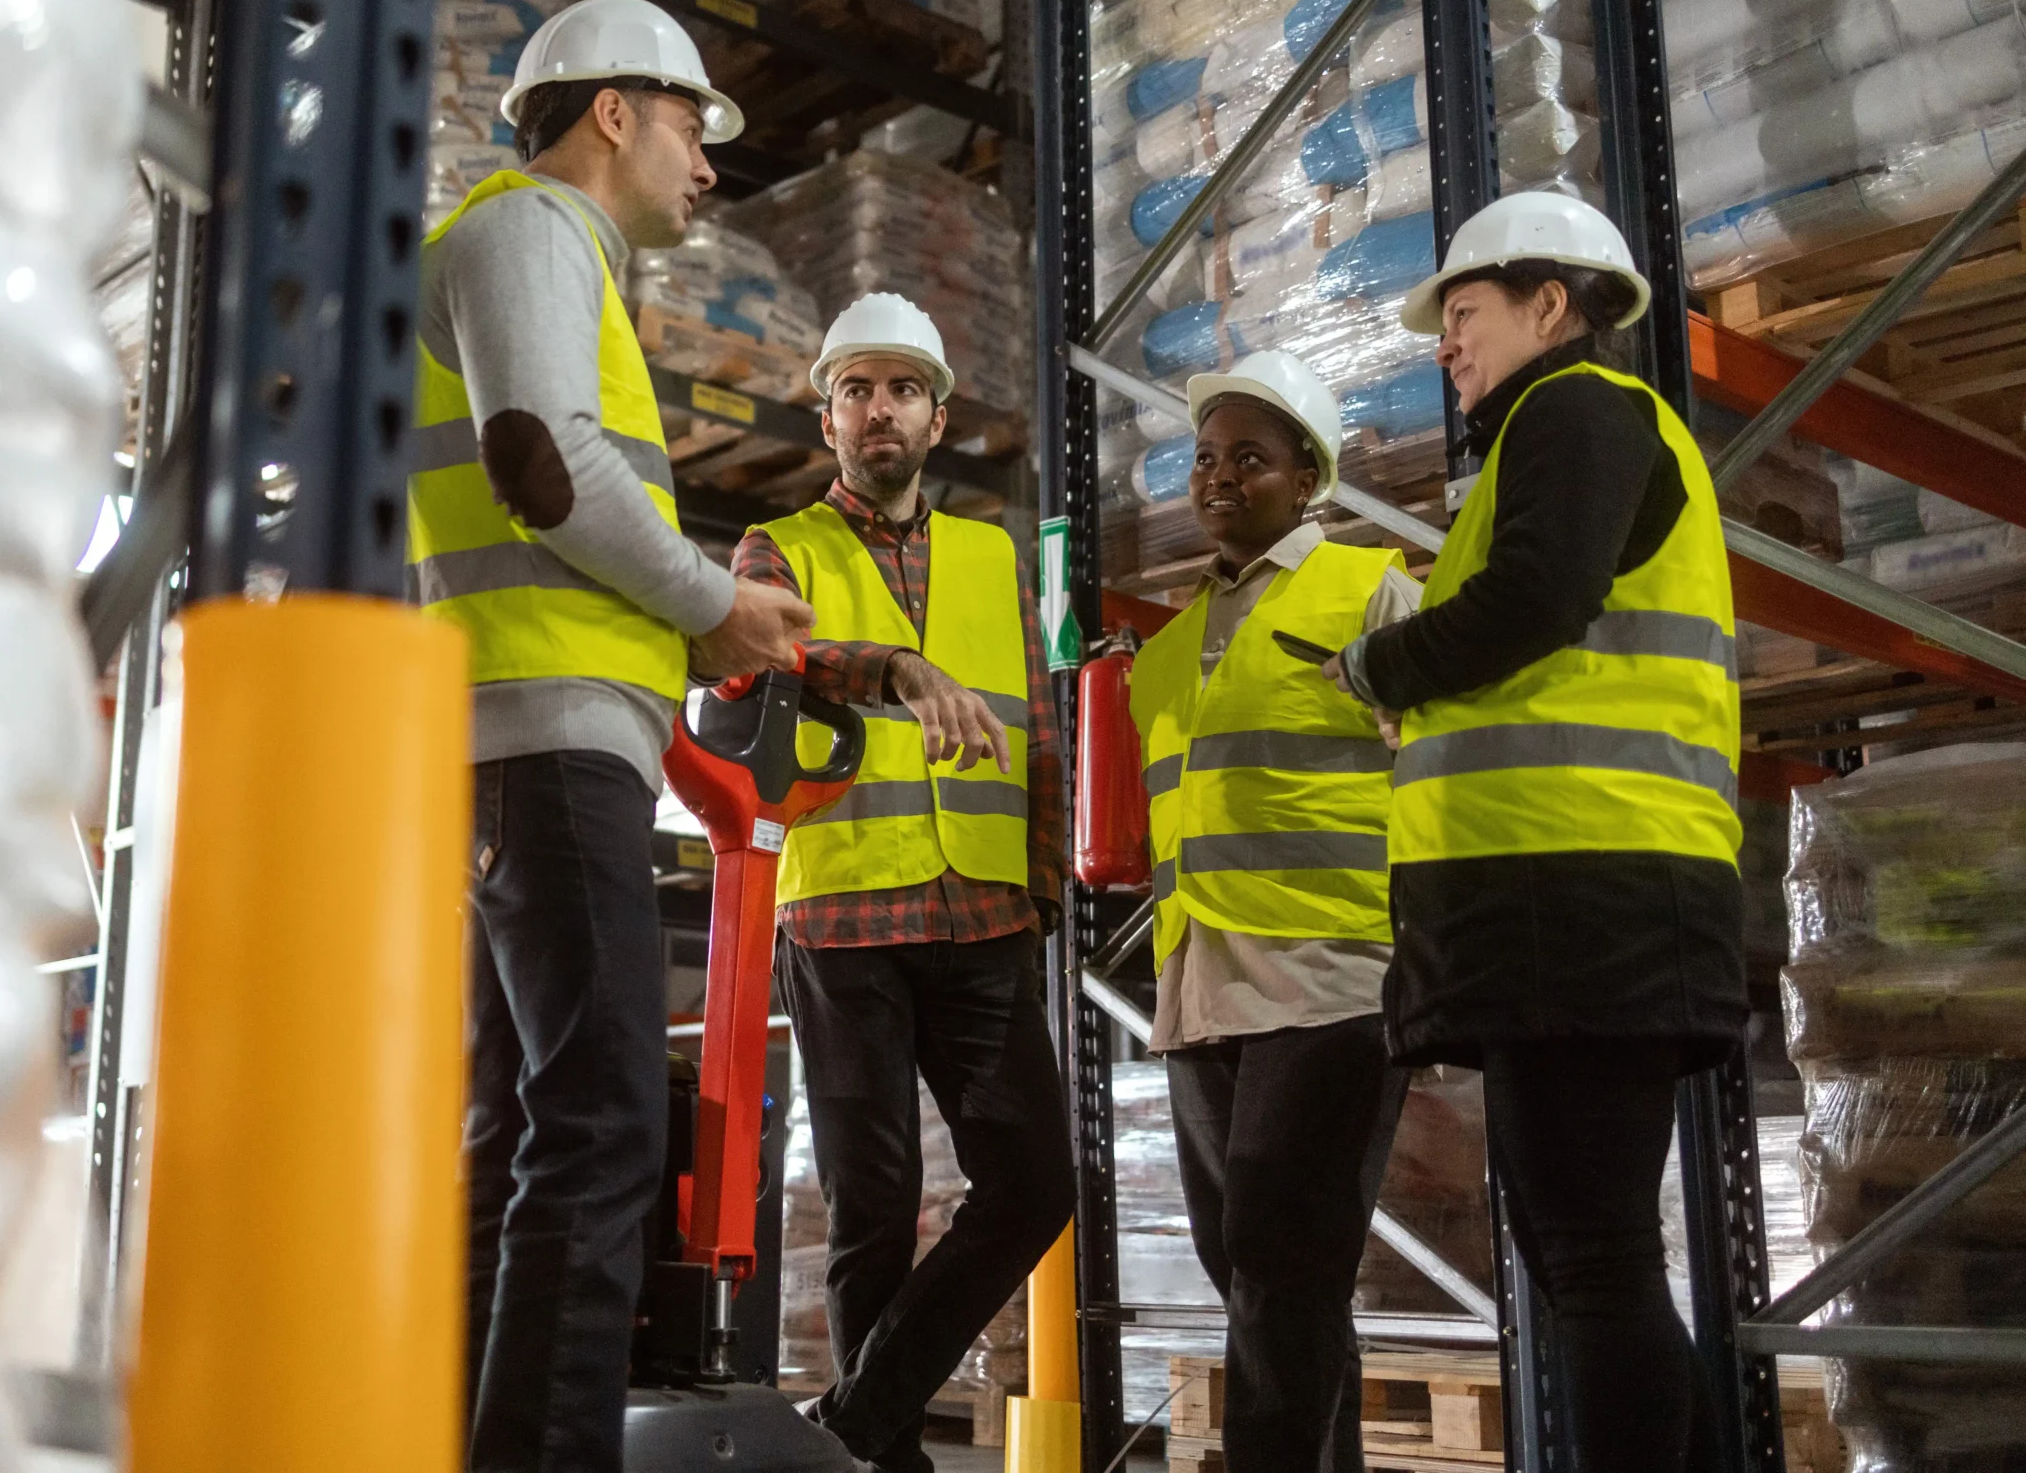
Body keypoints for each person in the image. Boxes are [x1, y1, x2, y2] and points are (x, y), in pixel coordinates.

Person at [409, 0, 815, 1473]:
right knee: (596, 1132)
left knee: (523, 1129)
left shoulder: (537, 250)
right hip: (549, 736)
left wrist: (714, 604)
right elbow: (541, 460)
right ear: (615, 110)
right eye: (697, 125)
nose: (708, 167)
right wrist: (710, 602)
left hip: (525, 742)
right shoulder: (530, 230)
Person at [1333, 190, 1747, 1473]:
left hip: (1583, 892)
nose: (1445, 346)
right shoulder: (1559, 438)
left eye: (1462, 315)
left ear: (1550, 306)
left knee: (1592, 1258)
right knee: (1591, 1258)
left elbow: (1537, 597)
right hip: (1570, 897)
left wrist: (1377, 668)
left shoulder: (1578, 409)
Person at [729, 293, 1074, 1473]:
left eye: (903, 390)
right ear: (826, 417)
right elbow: (776, 650)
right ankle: (883, 1454)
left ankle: (862, 1421)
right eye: (856, 390)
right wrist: (893, 666)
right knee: (869, 1203)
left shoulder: (991, 556)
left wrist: (1043, 887)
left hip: (982, 908)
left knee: (1033, 1182)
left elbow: (1036, 730)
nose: (881, 411)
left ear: (939, 417)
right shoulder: (781, 550)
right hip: (842, 909)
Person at [1125, 350, 1419, 1473]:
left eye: (1248, 457)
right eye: (1204, 458)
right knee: (1246, 1264)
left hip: (1333, 974)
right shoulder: (1158, 655)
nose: (1216, 476)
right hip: (1201, 984)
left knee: (1279, 1252)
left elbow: (1437, 768)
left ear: (1310, 481)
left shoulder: (1370, 592)